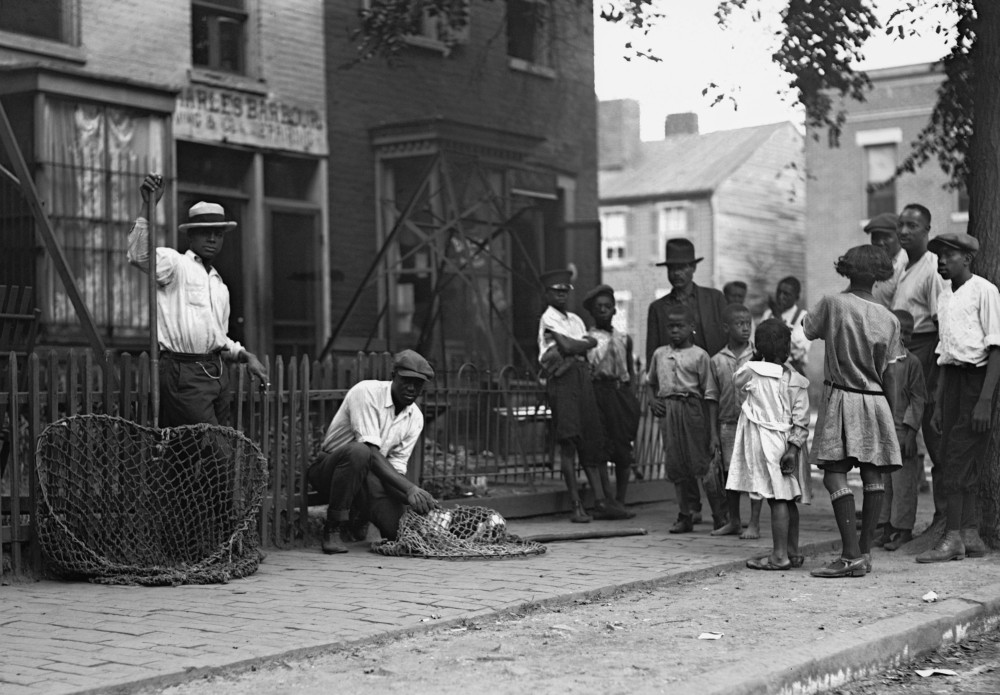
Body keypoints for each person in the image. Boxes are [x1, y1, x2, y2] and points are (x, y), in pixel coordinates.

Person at [127, 174, 267, 427]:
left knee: (191, 446)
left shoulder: (219, 284)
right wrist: (148, 206)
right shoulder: (176, 265)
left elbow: (219, 337)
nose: (212, 239)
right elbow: (138, 254)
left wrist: (245, 355)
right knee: (213, 443)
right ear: (191, 236)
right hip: (183, 370)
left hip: (217, 372)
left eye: (218, 234)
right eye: (205, 233)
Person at [805, 245, 903, 578]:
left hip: (842, 396)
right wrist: (892, 416)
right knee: (872, 474)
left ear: (846, 269)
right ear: (880, 275)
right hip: (876, 400)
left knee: (834, 473)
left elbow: (808, 329)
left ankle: (850, 556)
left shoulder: (833, 303)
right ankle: (864, 553)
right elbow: (891, 374)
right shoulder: (889, 318)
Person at [916, 233, 1000, 563]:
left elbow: (996, 347)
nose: (942, 261)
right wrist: (938, 403)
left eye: (949, 255)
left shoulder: (985, 290)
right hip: (950, 381)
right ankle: (970, 533)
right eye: (938, 256)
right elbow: (945, 352)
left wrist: (985, 400)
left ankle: (952, 537)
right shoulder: (944, 297)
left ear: (967, 258)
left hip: (977, 380)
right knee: (956, 454)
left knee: (959, 456)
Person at [307, 349, 439, 554]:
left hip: (368, 477)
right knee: (359, 452)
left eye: (418, 383)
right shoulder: (366, 392)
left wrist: (417, 500)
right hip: (331, 472)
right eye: (406, 380)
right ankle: (332, 529)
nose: (411, 388)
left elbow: (394, 471)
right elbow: (369, 450)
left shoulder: (415, 418)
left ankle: (365, 516)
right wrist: (410, 488)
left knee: (399, 533)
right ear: (393, 376)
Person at [537, 270, 620, 523]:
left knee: (591, 440)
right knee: (569, 441)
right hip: (563, 381)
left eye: (565, 290)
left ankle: (601, 501)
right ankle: (575, 505)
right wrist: (578, 346)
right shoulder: (548, 318)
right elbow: (570, 346)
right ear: (547, 293)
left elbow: (583, 347)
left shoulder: (575, 319)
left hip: (582, 378)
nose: (561, 295)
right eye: (556, 291)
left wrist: (576, 347)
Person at [726, 319, 810, 570]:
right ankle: (792, 552)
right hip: (788, 444)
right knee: (788, 499)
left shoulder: (752, 370)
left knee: (777, 500)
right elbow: (802, 420)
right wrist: (793, 449)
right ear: (788, 349)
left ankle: (779, 556)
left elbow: (736, 381)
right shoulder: (796, 379)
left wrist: (755, 357)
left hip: (767, 444)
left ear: (757, 347)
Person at [893, 203, 947, 524]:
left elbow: (942, 326)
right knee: (903, 432)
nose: (904, 231)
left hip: (926, 350)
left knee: (932, 431)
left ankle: (945, 517)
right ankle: (898, 520)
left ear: (927, 230)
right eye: (901, 224)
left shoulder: (933, 267)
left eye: (912, 226)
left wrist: (937, 377)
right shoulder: (902, 264)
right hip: (903, 352)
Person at [647, 304, 723, 533]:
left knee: (701, 463)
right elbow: (650, 382)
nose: (674, 331)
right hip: (669, 411)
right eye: (670, 326)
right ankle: (685, 514)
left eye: (679, 326)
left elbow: (710, 393)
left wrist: (713, 432)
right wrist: (652, 400)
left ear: (691, 327)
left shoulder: (700, 355)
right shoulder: (659, 354)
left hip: (693, 410)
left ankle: (719, 515)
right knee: (676, 464)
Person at [583, 284, 640, 516]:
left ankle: (620, 500)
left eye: (608, 306)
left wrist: (631, 396)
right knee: (601, 446)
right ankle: (606, 500)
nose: (603, 310)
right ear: (592, 311)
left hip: (620, 394)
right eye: (599, 307)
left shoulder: (624, 338)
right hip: (598, 393)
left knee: (623, 448)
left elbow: (631, 370)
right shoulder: (587, 339)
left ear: (615, 310)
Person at [877, 310, 927, 552]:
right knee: (884, 484)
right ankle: (885, 528)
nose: (904, 337)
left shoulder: (912, 363)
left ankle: (904, 530)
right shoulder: (879, 360)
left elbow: (918, 399)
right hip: (881, 432)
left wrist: (911, 432)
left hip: (902, 433)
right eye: (900, 331)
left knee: (904, 484)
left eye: (909, 332)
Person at [708, 303, 757, 537]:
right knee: (730, 474)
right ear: (726, 327)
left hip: (754, 423)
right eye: (739, 324)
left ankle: (754, 523)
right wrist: (713, 433)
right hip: (727, 424)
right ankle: (734, 521)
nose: (746, 328)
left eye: (748, 323)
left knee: (755, 471)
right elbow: (712, 397)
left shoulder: (758, 356)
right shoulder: (717, 360)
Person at [646, 238, 729, 364]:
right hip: (675, 374)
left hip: (713, 372)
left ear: (693, 268)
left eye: (682, 267)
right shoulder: (657, 309)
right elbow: (652, 358)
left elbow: (731, 341)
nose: (677, 273)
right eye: (672, 268)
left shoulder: (715, 299)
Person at [760, 276, 810, 375]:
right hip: (768, 369)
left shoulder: (803, 317)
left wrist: (778, 317)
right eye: (779, 292)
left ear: (796, 297)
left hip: (792, 371)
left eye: (786, 294)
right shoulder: (768, 314)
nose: (780, 297)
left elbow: (796, 346)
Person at [863, 212, 906, 309]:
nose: (880, 242)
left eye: (886, 237)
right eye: (875, 237)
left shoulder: (906, 265)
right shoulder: (870, 263)